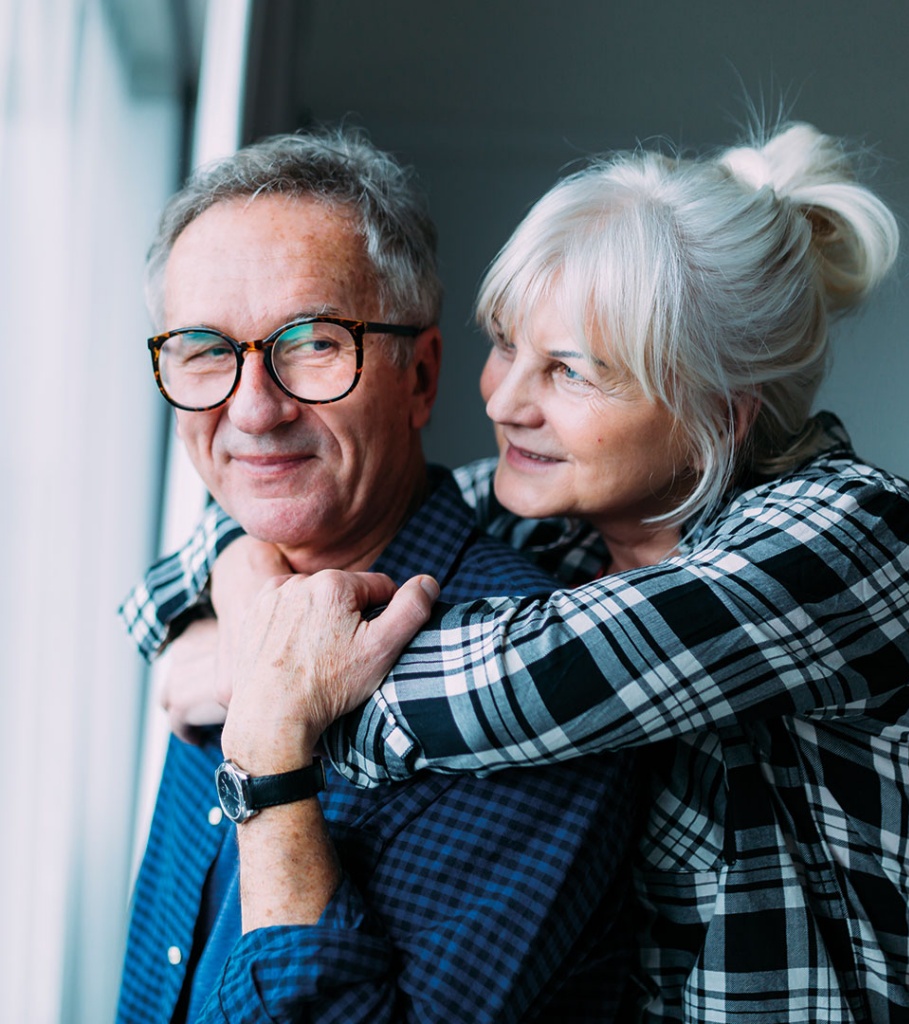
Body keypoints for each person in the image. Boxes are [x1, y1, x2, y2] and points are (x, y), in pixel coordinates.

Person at [124, 122, 909, 1023]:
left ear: (715, 415)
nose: (502, 399)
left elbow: (536, 680)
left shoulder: (856, 533)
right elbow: (217, 552)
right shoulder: (557, 527)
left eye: (570, 371)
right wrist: (242, 589)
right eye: (505, 344)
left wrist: (270, 693)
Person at [115, 128, 643, 1024]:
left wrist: (271, 748)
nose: (252, 409)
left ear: (421, 377)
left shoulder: (535, 684)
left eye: (314, 343)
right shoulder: (229, 590)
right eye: (205, 351)